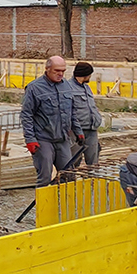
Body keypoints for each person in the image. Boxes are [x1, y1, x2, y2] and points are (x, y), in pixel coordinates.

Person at [21, 55, 86, 187]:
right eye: (57, 71)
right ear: (47, 69)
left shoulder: (67, 86)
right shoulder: (34, 88)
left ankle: (63, 205)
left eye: (63, 71)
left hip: (62, 139)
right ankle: (44, 206)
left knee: (68, 175)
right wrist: (30, 139)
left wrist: (78, 131)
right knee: (45, 177)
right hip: (43, 139)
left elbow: (72, 111)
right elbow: (26, 115)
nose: (60, 74)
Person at [69, 62, 103, 167]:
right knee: (74, 161)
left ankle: (92, 181)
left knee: (93, 162)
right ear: (84, 75)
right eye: (89, 75)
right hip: (76, 132)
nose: (90, 77)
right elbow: (69, 111)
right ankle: (71, 181)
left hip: (91, 129)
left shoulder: (86, 87)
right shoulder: (68, 87)